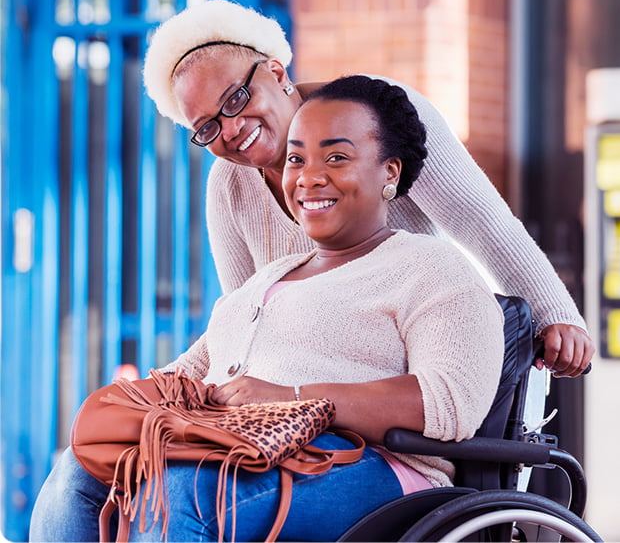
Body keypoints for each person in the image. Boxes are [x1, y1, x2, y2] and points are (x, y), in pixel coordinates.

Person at [30, 76, 505, 542]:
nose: (308, 177)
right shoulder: (269, 278)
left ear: (390, 172)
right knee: (80, 471)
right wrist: (140, 402)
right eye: (297, 159)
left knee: (186, 492)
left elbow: (448, 401)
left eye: (336, 157)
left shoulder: (429, 265)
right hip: (249, 448)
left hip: (378, 467)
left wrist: (294, 396)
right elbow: (203, 367)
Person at [143, 0, 593, 378]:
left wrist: (555, 314)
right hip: (298, 395)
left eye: (236, 98)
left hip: (396, 368)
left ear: (277, 73)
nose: (233, 127)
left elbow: (482, 222)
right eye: (207, 126)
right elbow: (246, 316)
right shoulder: (228, 185)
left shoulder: (376, 115)